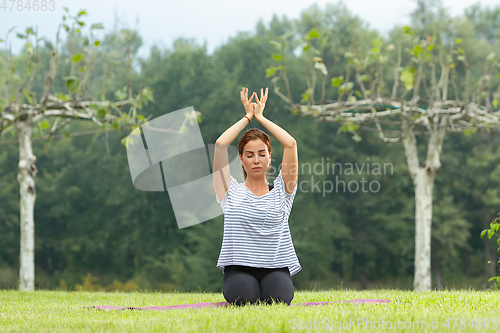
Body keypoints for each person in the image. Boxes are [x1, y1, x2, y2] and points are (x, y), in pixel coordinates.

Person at [213, 87, 301, 306]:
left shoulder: (283, 190)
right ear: (241, 159)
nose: (256, 160)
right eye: (249, 155)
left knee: (278, 301)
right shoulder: (229, 191)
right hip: (239, 268)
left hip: (275, 267)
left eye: (262, 154)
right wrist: (247, 117)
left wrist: (260, 118)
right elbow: (220, 145)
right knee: (245, 300)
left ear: (270, 159)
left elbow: (290, 144)